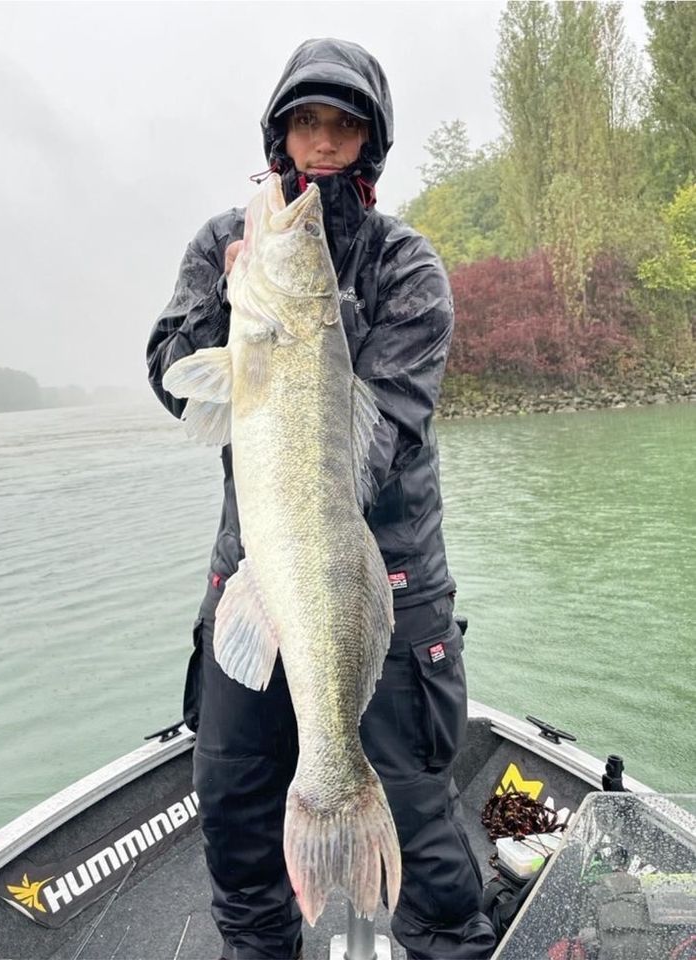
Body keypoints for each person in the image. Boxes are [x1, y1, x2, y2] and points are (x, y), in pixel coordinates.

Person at [147, 37, 496, 960]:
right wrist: (226, 310)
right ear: (279, 134)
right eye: (307, 121)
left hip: (389, 579)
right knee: (233, 805)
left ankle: (448, 942)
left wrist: (296, 339)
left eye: (344, 126)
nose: (323, 142)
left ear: (371, 143)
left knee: (420, 818)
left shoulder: (408, 269)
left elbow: (384, 424)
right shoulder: (227, 245)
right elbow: (174, 378)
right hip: (256, 573)